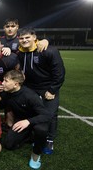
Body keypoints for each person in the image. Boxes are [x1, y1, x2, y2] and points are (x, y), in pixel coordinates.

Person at [17, 27, 66, 155]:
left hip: (47, 87)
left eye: (27, 37)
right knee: (32, 111)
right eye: (21, 38)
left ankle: (49, 139)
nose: (24, 40)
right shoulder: (20, 52)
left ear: (34, 37)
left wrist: (52, 89)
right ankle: (35, 135)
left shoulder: (48, 51)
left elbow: (59, 73)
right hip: (30, 87)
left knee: (50, 114)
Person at [0, 70, 51, 169]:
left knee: (41, 130)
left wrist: (28, 121)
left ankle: (36, 155)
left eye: (6, 81)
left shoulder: (30, 96)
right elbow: (1, 105)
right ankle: (29, 136)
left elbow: (46, 115)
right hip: (22, 121)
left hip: (36, 120)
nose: (2, 83)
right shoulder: (7, 93)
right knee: (9, 144)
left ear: (16, 84)